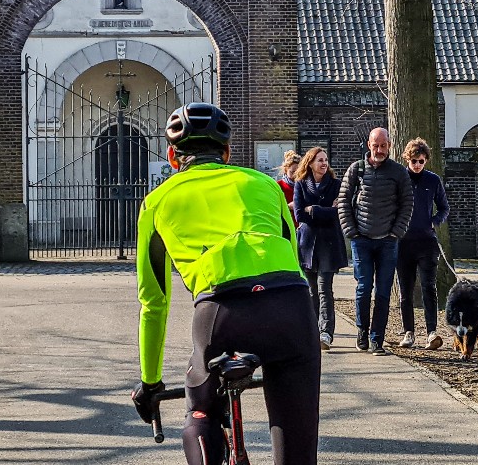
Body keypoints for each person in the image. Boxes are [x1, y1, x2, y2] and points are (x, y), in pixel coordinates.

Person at [131, 103, 320, 465]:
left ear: (172, 157)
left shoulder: (155, 202)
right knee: (298, 437)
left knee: (200, 406)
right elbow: (293, 260)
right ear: (228, 153)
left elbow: (153, 302)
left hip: (222, 312)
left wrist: (150, 382)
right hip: (291, 308)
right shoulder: (266, 184)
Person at [337, 127, 413, 356]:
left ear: (389, 146)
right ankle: (362, 330)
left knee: (383, 292)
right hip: (361, 239)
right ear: (368, 145)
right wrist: (351, 232)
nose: (379, 150)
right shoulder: (356, 169)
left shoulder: (399, 172)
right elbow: (343, 201)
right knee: (363, 288)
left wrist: (396, 232)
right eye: (375, 145)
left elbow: (407, 204)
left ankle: (377, 339)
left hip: (388, 241)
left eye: (383, 146)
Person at [396, 137, 450, 350]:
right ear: (407, 159)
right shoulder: (400, 179)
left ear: (426, 160)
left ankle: (431, 332)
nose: (417, 165)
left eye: (421, 161)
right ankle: (408, 332)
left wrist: (434, 221)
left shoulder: (433, 180)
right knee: (406, 290)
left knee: (429, 287)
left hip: (427, 242)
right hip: (403, 243)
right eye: (414, 161)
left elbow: (444, 207)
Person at [293, 147, 348, 351]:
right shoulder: (300, 184)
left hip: (329, 243)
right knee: (311, 291)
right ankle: (312, 331)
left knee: (325, 289)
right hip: (307, 244)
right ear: (310, 163)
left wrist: (314, 210)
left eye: (326, 160)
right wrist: (326, 210)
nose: (324, 163)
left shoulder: (335, 185)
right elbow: (299, 215)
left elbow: (338, 213)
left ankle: (326, 332)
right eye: (320, 160)